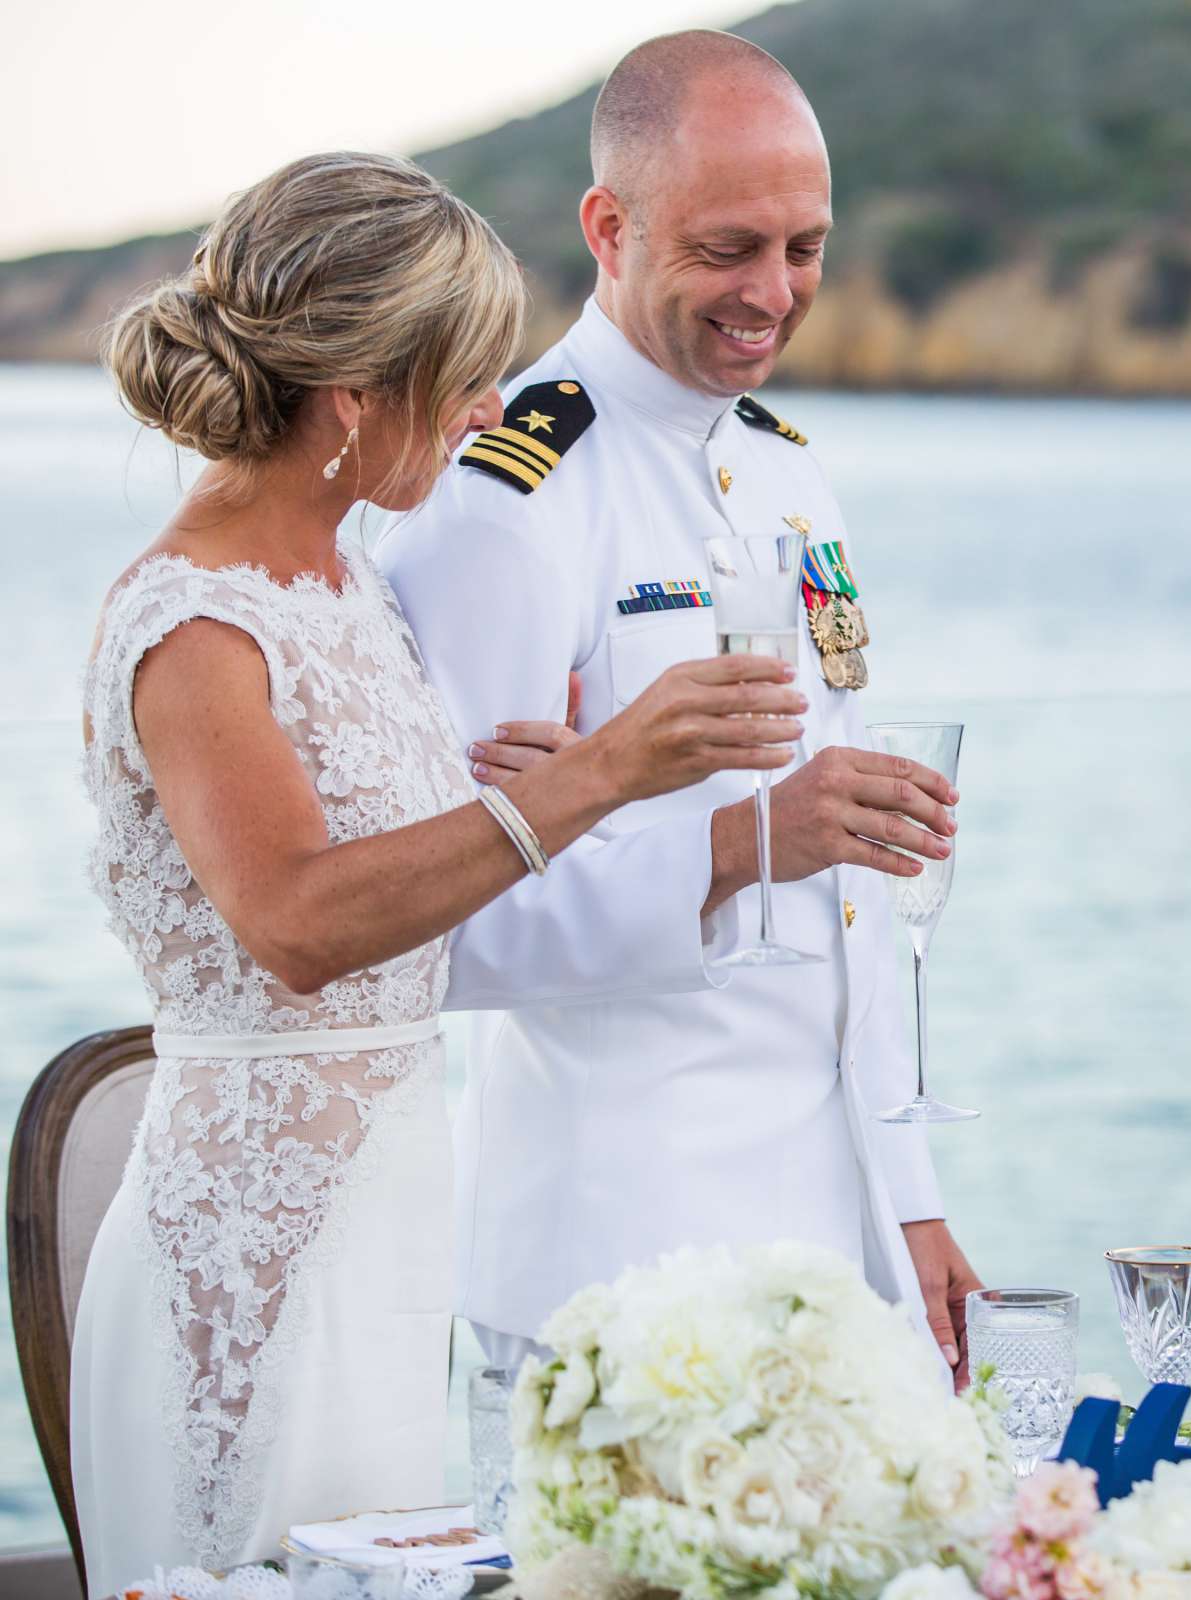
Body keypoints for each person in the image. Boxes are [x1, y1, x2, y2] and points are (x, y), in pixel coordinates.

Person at [71, 152, 805, 1592]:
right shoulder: (197, 625)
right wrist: (604, 775)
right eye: (465, 376)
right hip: (259, 1263)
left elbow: (398, 857)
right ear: (356, 395)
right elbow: (292, 922)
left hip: (396, 1230)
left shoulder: (345, 584)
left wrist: (548, 782)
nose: (487, 412)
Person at [377, 30, 984, 1388]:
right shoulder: (508, 501)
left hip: (830, 1256)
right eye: (729, 249)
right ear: (610, 225)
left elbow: (849, 902)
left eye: (805, 246)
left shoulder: (785, 477)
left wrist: (911, 1199)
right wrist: (740, 839)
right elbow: (437, 937)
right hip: (615, 1268)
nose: (775, 292)